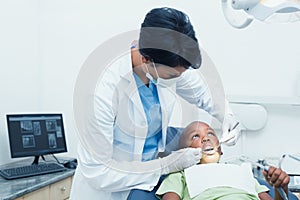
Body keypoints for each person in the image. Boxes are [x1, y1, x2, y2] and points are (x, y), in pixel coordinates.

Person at [70, 7, 241, 200]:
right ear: (146, 59)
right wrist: (167, 165)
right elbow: (99, 173)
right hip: (110, 190)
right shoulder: (101, 91)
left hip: (147, 183)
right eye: (173, 75)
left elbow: (205, 94)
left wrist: (227, 115)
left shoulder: (167, 61)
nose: (179, 79)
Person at [156, 121, 291, 200]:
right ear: (183, 153)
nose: (206, 138)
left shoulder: (241, 171)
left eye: (210, 133)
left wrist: (279, 187)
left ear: (220, 149)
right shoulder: (180, 175)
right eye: (195, 136)